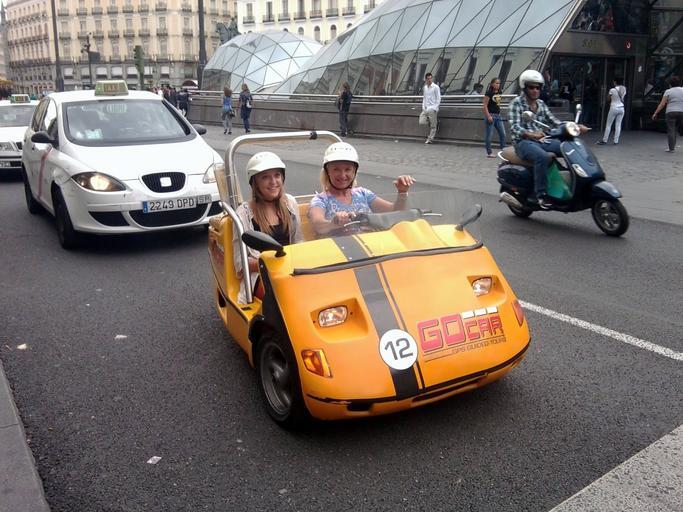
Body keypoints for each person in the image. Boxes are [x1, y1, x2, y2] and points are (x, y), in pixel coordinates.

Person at [509, 69, 589, 209]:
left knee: (569, 147)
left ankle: (573, 182)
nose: (535, 90)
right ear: (524, 88)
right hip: (523, 142)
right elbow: (514, 127)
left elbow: (555, 122)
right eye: (531, 87)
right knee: (542, 157)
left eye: (537, 87)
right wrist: (531, 134)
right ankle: (541, 195)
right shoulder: (516, 103)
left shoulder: (540, 104)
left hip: (542, 141)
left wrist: (575, 127)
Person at [233, 152, 302, 303]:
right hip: (261, 275)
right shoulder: (243, 213)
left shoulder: (290, 203)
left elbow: (299, 243)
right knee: (287, 296)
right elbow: (240, 263)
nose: (273, 182)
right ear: (255, 182)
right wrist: (271, 263)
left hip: (292, 270)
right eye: (265, 177)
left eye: (277, 175)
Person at [308, 142, 415, 236]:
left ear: (354, 172)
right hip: (341, 249)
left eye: (347, 169)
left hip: (373, 246)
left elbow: (395, 212)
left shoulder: (363, 193)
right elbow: (318, 225)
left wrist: (402, 192)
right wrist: (333, 223)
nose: (343, 175)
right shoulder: (321, 200)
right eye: (336, 169)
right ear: (328, 172)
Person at [652, 76, 683, 153]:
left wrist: (655, 113)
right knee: (676, 129)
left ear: (670, 84)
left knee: (671, 130)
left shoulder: (668, 91)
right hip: (682, 111)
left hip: (671, 112)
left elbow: (662, 104)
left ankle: (671, 148)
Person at [598, 77, 626, 145]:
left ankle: (605, 140)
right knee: (618, 125)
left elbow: (608, 99)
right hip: (621, 108)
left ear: (615, 82)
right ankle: (616, 141)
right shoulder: (624, 89)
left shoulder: (612, 90)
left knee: (608, 125)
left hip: (614, 107)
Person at [483, 78, 506, 158]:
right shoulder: (489, 93)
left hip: (498, 116)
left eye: (499, 83)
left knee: (503, 133)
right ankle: (489, 152)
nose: (498, 85)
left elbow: (497, 104)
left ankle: (504, 150)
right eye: (496, 83)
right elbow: (485, 105)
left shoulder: (500, 92)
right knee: (489, 135)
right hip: (491, 115)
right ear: (492, 84)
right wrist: (488, 116)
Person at [420, 72, 441, 144]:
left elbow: (438, 98)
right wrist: (423, 107)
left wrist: (435, 108)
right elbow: (424, 98)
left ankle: (430, 139)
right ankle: (436, 122)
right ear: (426, 79)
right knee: (421, 122)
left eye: (431, 78)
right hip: (426, 108)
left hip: (432, 108)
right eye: (428, 79)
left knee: (433, 126)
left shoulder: (436, 87)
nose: (430, 80)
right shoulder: (425, 87)